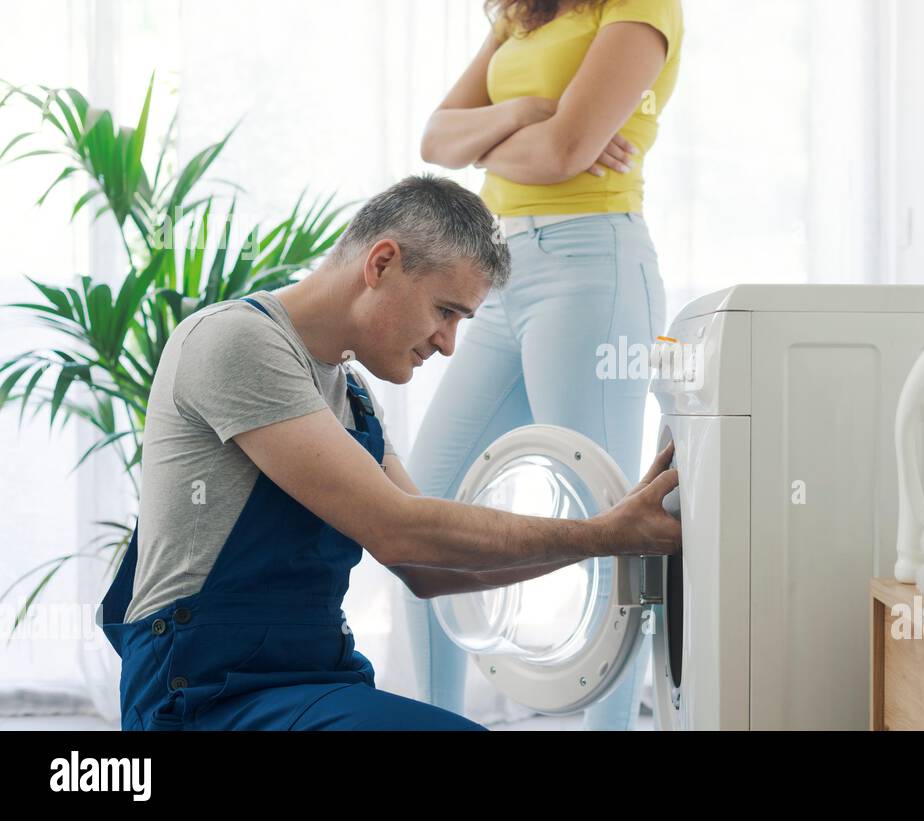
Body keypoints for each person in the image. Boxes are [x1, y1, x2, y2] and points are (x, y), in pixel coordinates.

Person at [97, 174, 681, 731]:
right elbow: (401, 530)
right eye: (445, 311)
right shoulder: (237, 341)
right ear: (381, 263)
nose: (449, 344)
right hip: (200, 693)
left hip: (312, 678)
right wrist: (603, 534)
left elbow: (427, 570)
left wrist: (611, 535)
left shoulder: (352, 396)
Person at [407, 0, 683, 731]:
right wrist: (531, 112)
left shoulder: (642, 8)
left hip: (591, 264)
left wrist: (499, 140)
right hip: (497, 273)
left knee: (608, 524)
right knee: (427, 503)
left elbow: (562, 157)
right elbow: (436, 138)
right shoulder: (522, 12)